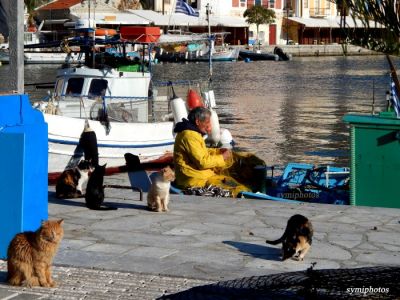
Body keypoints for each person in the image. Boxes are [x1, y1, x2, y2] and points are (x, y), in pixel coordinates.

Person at [173, 107, 254, 197]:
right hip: (194, 179)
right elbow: (202, 162)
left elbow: (200, 151)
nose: (209, 126)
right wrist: (222, 157)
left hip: (200, 176)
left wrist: (218, 151)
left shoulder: (192, 133)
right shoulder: (189, 136)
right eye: (207, 122)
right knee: (235, 187)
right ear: (197, 122)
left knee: (232, 179)